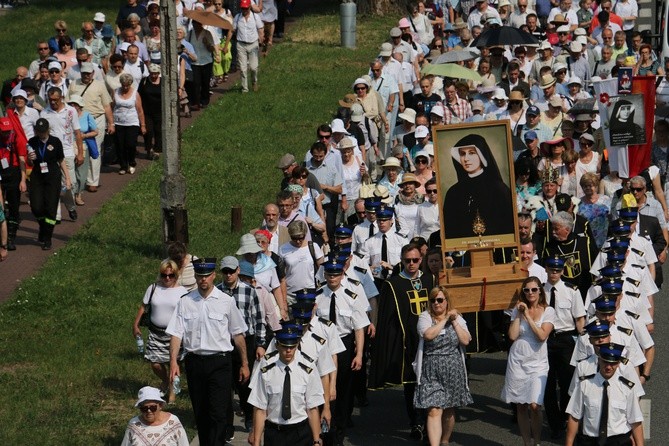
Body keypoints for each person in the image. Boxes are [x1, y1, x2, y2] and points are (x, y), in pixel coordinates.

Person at [166, 258, 250, 446]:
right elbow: (176, 334)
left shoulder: (226, 301)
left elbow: (238, 335)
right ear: (195, 277)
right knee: (201, 413)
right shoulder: (185, 301)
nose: (203, 280)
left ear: (213, 276)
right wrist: (173, 362)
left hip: (220, 362)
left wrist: (244, 363)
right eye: (199, 276)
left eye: (207, 276)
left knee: (218, 413)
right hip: (195, 362)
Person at [369, 243, 434, 440]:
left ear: (421, 260)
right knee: (411, 383)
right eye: (408, 261)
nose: (412, 264)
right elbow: (387, 318)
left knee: (429, 382)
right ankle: (416, 422)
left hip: (430, 339)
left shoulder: (430, 279)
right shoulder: (393, 284)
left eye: (415, 260)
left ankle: (429, 419)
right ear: (402, 261)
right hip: (408, 341)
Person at [247, 323, 324, 446]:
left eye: (292, 347)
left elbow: (312, 408)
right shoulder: (267, 371)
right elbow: (260, 408)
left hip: (300, 432)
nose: (288, 350)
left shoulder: (308, 370)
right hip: (275, 433)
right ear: (277, 345)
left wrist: (316, 440)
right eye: (284, 346)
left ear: (297, 345)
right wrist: (256, 441)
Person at [414, 286, 473, 446]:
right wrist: (445, 319)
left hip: (453, 368)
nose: (436, 303)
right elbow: (428, 335)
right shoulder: (425, 317)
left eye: (440, 300)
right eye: (433, 300)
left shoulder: (457, 318)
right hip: (431, 368)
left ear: (447, 301)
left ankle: (445, 440)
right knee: (434, 409)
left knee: (448, 408)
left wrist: (454, 322)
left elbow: (465, 340)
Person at [501, 276, 556, 446]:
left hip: (538, 363)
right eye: (527, 290)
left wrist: (528, 316)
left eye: (534, 289)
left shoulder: (549, 311)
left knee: (535, 405)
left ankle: (537, 441)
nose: (530, 293)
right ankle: (526, 443)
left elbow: (541, 336)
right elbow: (512, 335)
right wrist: (518, 314)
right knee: (521, 406)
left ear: (540, 290)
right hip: (518, 361)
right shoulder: (518, 310)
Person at [565, 345, 645, 446]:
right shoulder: (584, 385)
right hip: (590, 441)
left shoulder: (627, 388)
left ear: (618, 363)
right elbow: (574, 417)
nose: (608, 367)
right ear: (599, 360)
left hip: (618, 441)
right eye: (605, 362)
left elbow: (635, 421)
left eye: (613, 363)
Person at [132, 260, 188, 404]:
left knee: (173, 365)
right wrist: (136, 324)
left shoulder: (182, 292)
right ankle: (164, 381)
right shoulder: (153, 288)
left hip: (174, 335)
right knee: (155, 363)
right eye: (164, 275)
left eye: (171, 275)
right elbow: (144, 307)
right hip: (156, 333)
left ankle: (172, 394)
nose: (167, 278)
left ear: (176, 275)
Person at [543, 256, 586, 440]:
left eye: (557, 270)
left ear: (562, 271)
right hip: (545, 341)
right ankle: (554, 424)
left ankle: (566, 419)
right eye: (551, 269)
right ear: (545, 269)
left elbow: (579, 319)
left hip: (566, 339)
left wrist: (584, 343)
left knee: (568, 383)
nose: (554, 273)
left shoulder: (572, 291)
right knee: (548, 385)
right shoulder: (539, 290)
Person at [442, 134, 514, 239]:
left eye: (471, 153)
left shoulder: (499, 189)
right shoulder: (453, 192)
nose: (466, 159)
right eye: (462, 154)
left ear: (481, 155)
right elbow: (449, 229)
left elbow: (507, 225)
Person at [26, 118, 70, 250]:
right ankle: (42, 226)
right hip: (37, 176)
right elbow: (30, 162)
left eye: (43, 131)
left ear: (48, 130)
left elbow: (61, 160)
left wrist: (67, 178)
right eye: (38, 131)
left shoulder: (55, 142)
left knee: (51, 207)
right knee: (36, 206)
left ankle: (47, 238)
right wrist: (30, 158)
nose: (41, 134)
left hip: (52, 176)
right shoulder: (32, 142)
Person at [120, 386, 189, 446]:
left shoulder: (173, 422)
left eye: (153, 408)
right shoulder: (134, 424)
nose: (149, 411)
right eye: (144, 408)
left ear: (160, 406)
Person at [0, 116, 27, 251]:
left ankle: (11, 238)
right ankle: (2, 237)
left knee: (14, 207)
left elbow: (22, 159)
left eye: (8, 131)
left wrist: (23, 180)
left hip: (14, 174)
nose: (6, 133)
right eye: (3, 131)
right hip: (1, 175)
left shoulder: (17, 138)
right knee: (1, 208)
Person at [113, 73, 146, 175]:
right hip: (118, 122)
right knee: (120, 145)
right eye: (123, 85)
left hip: (132, 123)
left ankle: (131, 162)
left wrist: (143, 125)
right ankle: (123, 165)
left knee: (130, 144)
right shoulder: (115, 92)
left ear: (131, 84)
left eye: (127, 85)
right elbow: (112, 106)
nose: (125, 87)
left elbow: (140, 111)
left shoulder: (135, 94)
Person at [234, 0, 264, 93]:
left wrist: (261, 40)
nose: (244, 10)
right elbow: (233, 30)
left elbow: (260, 29)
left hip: (253, 44)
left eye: (246, 8)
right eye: (243, 8)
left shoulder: (255, 17)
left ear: (250, 7)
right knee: (243, 69)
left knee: (254, 68)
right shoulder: (237, 17)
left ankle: (254, 82)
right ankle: (245, 89)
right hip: (241, 45)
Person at [138, 64, 162, 159]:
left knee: (158, 131)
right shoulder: (144, 81)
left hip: (159, 111)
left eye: (156, 74)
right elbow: (139, 94)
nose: (154, 76)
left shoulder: (163, 82)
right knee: (148, 131)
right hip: (146, 111)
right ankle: (148, 149)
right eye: (152, 73)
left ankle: (157, 150)